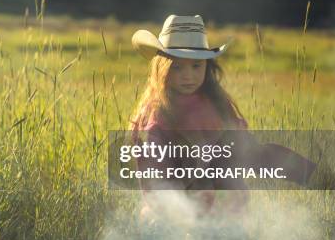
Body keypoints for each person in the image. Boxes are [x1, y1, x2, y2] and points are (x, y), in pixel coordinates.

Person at [129, 15, 316, 216]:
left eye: (196, 66)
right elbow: (154, 174)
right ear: (162, 68)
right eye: (177, 67)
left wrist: (307, 172)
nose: (188, 76)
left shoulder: (216, 105)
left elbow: (251, 152)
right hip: (174, 215)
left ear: (207, 66)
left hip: (226, 214)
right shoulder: (157, 114)